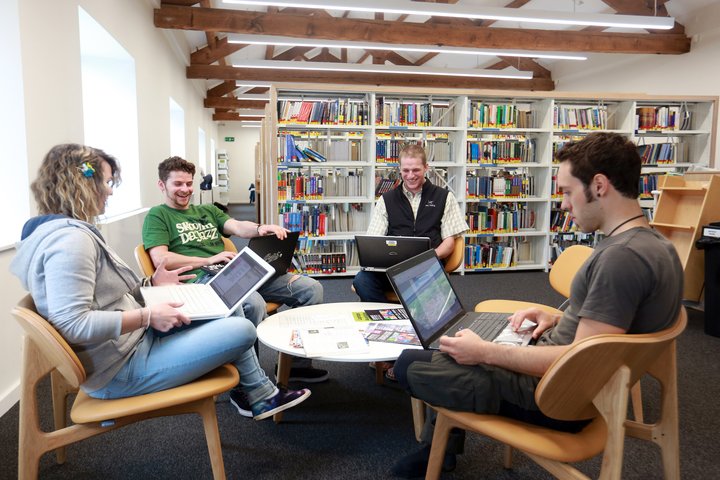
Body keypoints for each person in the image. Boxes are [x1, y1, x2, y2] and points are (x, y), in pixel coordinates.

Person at [390, 132, 684, 478]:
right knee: (461, 340)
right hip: (572, 380)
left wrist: (485, 353)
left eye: (567, 191)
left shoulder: (620, 260)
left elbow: (579, 360)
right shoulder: (658, 247)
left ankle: (439, 450)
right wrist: (555, 316)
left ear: (600, 185)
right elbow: (604, 337)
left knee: (411, 363)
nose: (563, 204)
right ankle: (441, 448)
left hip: (553, 397)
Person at [10, 144, 310, 422]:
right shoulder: (70, 242)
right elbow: (73, 323)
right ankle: (259, 393)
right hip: (123, 368)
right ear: (80, 185)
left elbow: (104, 297)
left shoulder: (63, 233)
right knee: (242, 324)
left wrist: (150, 282)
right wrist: (148, 315)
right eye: (105, 183)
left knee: (227, 306)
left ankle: (259, 393)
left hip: (134, 341)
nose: (109, 192)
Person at [141, 157, 327, 412]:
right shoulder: (158, 215)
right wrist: (207, 258)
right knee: (252, 303)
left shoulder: (206, 210)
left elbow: (238, 226)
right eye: (177, 184)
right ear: (162, 186)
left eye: (188, 183)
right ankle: (248, 386)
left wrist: (262, 228)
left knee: (310, 289)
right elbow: (161, 258)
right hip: (201, 280)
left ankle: (296, 366)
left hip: (234, 272)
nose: (185, 189)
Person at [353, 143, 468, 302]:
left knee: (427, 290)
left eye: (416, 170)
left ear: (426, 168)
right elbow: (374, 239)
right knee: (362, 281)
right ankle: (388, 317)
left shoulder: (444, 197)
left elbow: (449, 243)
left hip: (427, 267)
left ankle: (417, 319)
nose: (410, 175)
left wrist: (426, 259)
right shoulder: (386, 200)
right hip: (393, 268)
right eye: (406, 170)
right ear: (399, 169)